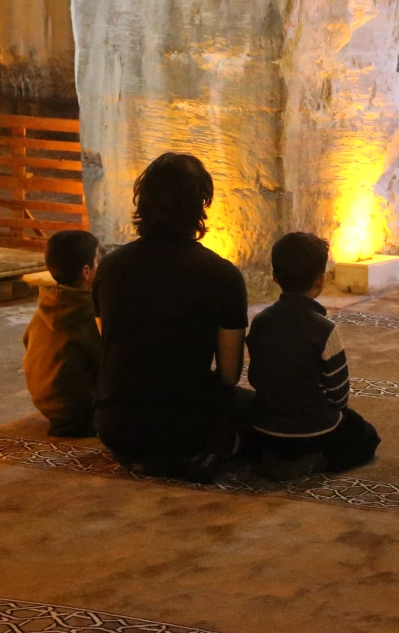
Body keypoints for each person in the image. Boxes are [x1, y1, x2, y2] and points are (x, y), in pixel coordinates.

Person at [93, 153, 250, 482]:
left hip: (114, 425)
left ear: (142, 201)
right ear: (201, 204)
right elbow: (229, 374)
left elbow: (108, 345)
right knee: (263, 410)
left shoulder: (109, 267)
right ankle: (214, 449)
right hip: (185, 428)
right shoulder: (222, 275)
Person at [246, 232, 381, 480]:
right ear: (320, 281)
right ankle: (316, 459)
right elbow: (339, 396)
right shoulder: (325, 329)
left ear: (274, 276)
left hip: (266, 428)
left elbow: (256, 378)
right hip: (314, 431)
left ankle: (273, 455)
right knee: (365, 435)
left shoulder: (260, 322)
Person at [22, 229, 104, 438]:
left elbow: (27, 342)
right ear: (86, 271)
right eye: (98, 260)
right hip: (80, 410)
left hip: (48, 405)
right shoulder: (86, 312)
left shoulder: (46, 305)